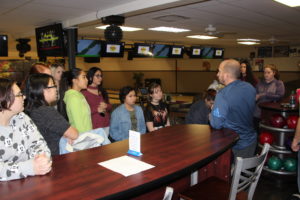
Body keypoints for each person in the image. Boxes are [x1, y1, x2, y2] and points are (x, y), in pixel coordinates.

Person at [0, 78, 52, 181]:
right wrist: (29, 167)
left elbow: (39, 144)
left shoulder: (22, 118)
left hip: (29, 183)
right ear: (5, 99)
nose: (24, 97)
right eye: (19, 94)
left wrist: (41, 159)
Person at [210, 59, 257, 159]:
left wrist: (213, 111)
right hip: (251, 141)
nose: (217, 74)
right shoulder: (250, 87)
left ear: (226, 75)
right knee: (243, 174)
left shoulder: (222, 94)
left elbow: (216, 124)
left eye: (219, 71)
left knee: (230, 174)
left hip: (235, 145)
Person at [24, 73, 79, 155]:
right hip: (55, 158)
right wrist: (67, 135)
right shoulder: (45, 111)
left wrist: (64, 135)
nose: (56, 89)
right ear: (43, 90)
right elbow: (74, 134)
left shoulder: (33, 110)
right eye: (53, 85)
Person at [253, 64, 285, 129]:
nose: (266, 74)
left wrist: (264, 94)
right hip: (257, 112)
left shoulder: (279, 83)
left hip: (271, 113)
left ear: (274, 73)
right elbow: (254, 95)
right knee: (257, 131)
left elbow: (280, 95)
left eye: (268, 72)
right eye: (265, 72)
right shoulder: (260, 83)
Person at [82, 67, 112, 136]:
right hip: (94, 127)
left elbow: (110, 107)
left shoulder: (103, 91)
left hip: (106, 125)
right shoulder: (84, 93)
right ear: (90, 77)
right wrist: (96, 109)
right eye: (97, 76)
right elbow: (82, 111)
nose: (100, 78)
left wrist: (106, 106)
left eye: (101, 76)